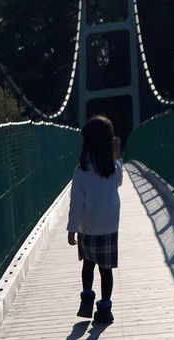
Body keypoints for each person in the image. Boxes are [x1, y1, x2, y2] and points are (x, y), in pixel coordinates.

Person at [67, 116, 123, 324]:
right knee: (106, 271)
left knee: (88, 265)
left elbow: (76, 202)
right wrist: (117, 156)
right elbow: (119, 182)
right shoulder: (113, 167)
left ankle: (87, 299)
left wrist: (72, 228)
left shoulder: (81, 170)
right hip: (108, 227)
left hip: (87, 227)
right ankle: (105, 310)